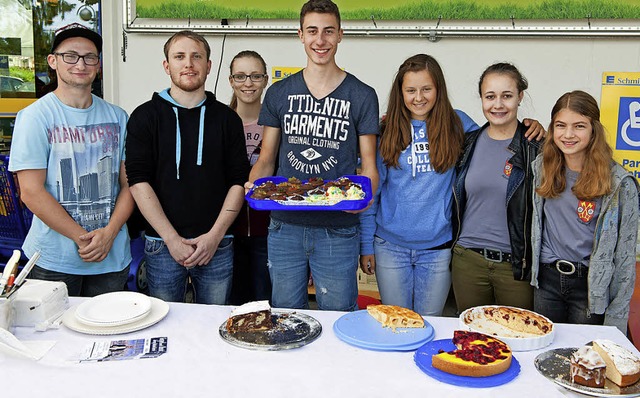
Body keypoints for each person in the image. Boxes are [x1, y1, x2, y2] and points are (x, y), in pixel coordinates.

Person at [248, 0, 379, 311]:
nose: (320, 41)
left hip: (338, 227)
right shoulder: (279, 93)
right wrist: (253, 184)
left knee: (338, 317)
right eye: (312, 31)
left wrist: (363, 198)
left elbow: (369, 167)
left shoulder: (362, 95)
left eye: (328, 31)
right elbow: (266, 159)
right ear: (301, 35)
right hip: (285, 225)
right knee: (285, 314)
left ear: (340, 35)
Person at [125, 30, 250, 304]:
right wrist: (171, 239)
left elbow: (238, 181)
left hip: (218, 244)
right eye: (179, 56)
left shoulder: (228, 120)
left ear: (208, 65)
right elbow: (137, 180)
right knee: (165, 326)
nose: (188, 64)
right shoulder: (144, 116)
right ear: (167, 66)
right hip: (161, 244)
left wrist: (214, 237)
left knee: (213, 326)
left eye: (197, 56)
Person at [8, 23, 133, 296]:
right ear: (53, 61)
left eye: (90, 57)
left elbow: (130, 185)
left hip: (111, 258)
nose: (81, 64)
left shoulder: (118, 117)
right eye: (70, 56)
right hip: (54, 259)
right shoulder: (34, 117)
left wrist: (109, 234)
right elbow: (30, 192)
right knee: (52, 334)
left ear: (98, 65)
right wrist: (84, 238)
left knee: (109, 333)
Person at [359, 54, 478, 316]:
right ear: (400, 93)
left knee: (430, 324)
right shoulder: (386, 129)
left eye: (427, 89)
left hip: (438, 249)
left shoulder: (458, 124)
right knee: (396, 325)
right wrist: (366, 245)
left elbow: (496, 139)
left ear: (439, 89)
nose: (419, 97)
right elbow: (372, 193)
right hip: (390, 247)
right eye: (410, 90)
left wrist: (529, 127)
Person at [531, 90, 639, 333]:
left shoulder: (619, 183)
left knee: (583, 358)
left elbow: (624, 257)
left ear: (594, 131)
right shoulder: (541, 168)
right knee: (545, 354)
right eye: (560, 125)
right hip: (546, 282)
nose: (568, 134)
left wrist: (617, 318)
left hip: (590, 287)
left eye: (579, 126)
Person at [451, 63, 540, 312]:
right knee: (471, 343)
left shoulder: (536, 148)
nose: (498, 105)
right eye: (490, 96)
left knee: (519, 338)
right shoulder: (467, 144)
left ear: (520, 97)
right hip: (467, 261)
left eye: (507, 96)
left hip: (515, 266)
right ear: (481, 98)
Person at [228, 50, 272, 304]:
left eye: (255, 76)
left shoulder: (277, 124)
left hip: (267, 230)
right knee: (232, 304)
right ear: (231, 80)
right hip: (227, 232)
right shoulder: (220, 122)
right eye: (241, 76)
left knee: (265, 302)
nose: (248, 83)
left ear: (266, 80)